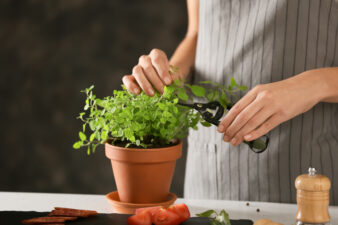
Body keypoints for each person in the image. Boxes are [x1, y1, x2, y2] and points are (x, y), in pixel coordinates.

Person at [122, 0, 338, 204]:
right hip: (210, 173)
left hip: (305, 172)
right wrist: (168, 75)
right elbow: (197, 34)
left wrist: (313, 85)